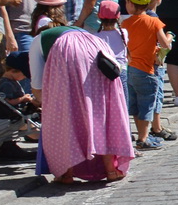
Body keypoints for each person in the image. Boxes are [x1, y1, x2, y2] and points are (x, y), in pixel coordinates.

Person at [33, 29, 134, 183]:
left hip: (66, 52)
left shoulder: (39, 40)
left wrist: (45, 103)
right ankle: (111, 169)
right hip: (98, 48)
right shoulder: (85, 33)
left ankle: (66, 173)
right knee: (101, 109)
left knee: (66, 112)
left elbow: (37, 83)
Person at [120, 0, 172, 149]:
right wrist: (169, 37)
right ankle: (143, 138)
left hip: (130, 68)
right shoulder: (154, 21)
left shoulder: (125, 23)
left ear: (131, 4)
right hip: (147, 70)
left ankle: (142, 136)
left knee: (135, 105)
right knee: (147, 105)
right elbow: (165, 45)